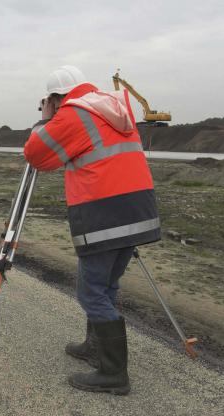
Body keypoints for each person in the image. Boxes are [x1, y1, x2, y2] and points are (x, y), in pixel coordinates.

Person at [23, 66, 161, 395]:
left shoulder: (74, 114)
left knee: (90, 292)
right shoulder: (111, 107)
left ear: (55, 98)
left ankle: (114, 373)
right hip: (137, 210)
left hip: (104, 215)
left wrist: (45, 120)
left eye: (49, 102)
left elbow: (35, 154)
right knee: (106, 286)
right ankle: (96, 347)